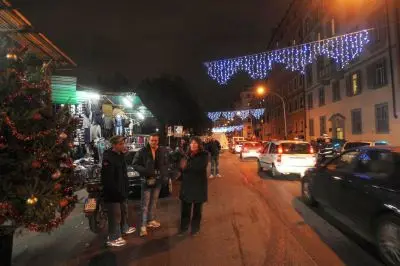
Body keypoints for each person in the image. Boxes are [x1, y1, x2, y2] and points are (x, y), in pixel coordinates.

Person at [101, 136, 136, 247]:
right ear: (114, 145)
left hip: (121, 190)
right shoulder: (108, 158)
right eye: (121, 144)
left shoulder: (120, 155)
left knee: (123, 211)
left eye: (123, 143)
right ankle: (113, 238)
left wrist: (125, 188)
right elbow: (107, 178)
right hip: (113, 193)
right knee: (115, 215)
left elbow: (123, 173)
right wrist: (115, 192)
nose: (123, 145)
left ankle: (124, 228)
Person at [132, 133, 169, 237]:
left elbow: (166, 163)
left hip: (158, 181)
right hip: (147, 180)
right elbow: (135, 164)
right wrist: (146, 171)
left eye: (156, 140)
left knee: (154, 202)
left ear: (158, 141)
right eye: (152, 140)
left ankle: (151, 220)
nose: (154, 142)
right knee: (145, 205)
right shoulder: (142, 151)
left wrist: (164, 173)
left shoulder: (162, 151)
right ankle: (143, 226)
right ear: (148, 140)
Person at [179, 137, 209, 236]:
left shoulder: (204, 155)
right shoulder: (187, 155)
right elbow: (181, 167)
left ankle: (195, 229)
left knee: (197, 210)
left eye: (195, 143)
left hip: (198, 186)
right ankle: (184, 228)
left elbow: (197, 167)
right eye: (191, 143)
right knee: (185, 210)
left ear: (199, 145)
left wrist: (186, 165)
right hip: (187, 186)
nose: (193, 145)